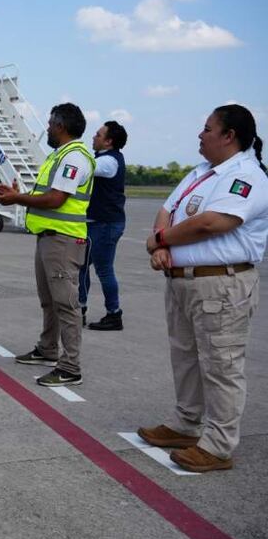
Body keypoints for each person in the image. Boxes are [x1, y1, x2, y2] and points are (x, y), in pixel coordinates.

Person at [137, 104, 267, 473]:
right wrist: (162, 244)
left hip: (220, 284)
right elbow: (168, 208)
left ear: (230, 136)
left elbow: (213, 223)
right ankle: (185, 424)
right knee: (186, 358)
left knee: (221, 365)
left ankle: (219, 445)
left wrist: (158, 240)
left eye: (208, 129)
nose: (200, 133)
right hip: (183, 282)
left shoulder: (246, 175)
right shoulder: (201, 172)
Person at [0, 103, 95, 387]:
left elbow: (56, 199)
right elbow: (46, 195)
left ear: (61, 126)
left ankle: (70, 366)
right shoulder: (60, 156)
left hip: (63, 239)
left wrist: (17, 200)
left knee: (66, 304)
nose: (48, 129)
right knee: (49, 300)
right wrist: (19, 194)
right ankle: (48, 348)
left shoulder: (74, 157)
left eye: (50, 124)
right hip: (49, 237)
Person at [79, 120, 129, 331]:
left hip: (105, 224)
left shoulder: (109, 161)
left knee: (104, 270)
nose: (94, 137)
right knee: (81, 266)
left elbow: (85, 168)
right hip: (98, 223)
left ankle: (114, 313)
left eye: (98, 135)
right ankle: (79, 307)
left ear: (109, 141)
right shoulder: (104, 157)